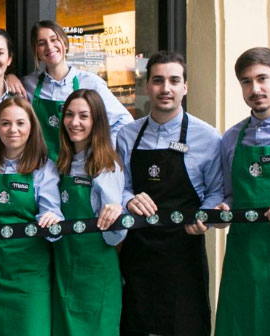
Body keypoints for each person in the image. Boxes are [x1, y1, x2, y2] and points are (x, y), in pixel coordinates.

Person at [116, 51, 223, 336]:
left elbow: (216, 192)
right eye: (158, 80)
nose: (166, 88)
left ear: (185, 87)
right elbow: (119, 187)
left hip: (183, 257)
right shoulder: (127, 135)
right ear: (147, 86)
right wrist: (129, 199)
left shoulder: (208, 136)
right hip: (138, 255)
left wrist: (206, 218)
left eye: (174, 81)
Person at [215, 47, 270, 335]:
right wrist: (221, 210)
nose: (255, 88)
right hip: (243, 263)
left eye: (263, 78)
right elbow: (228, 195)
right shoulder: (232, 138)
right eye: (246, 81)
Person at [0, 96, 61, 335]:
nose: (12, 129)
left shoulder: (45, 167)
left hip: (30, 273)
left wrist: (52, 220)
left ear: (32, 127)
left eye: (20, 123)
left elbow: (51, 210)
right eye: (5, 123)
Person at [54, 89, 125, 335]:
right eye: (70, 115)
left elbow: (115, 236)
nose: (75, 122)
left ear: (97, 121)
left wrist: (117, 218)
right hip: (64, 268)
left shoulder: (106, 166)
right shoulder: (61, 163)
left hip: (97, 275)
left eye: (84, 116)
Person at [22, 20, 133, 161]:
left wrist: (104, 151)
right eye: (41, 43)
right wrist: (10, 77)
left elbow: (124, 120)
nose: (49, 47)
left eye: (54, 39)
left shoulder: (91, 83)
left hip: (80, 168)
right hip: (43, 169)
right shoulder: (28, 84)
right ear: (36, 51)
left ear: (65, 44)